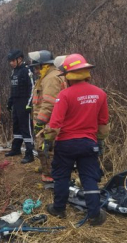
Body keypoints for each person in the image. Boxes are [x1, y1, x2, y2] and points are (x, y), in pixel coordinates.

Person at [44, 53, 109, 226]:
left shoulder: (64, 95)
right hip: (89, 143)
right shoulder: (100, 94)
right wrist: (99, 141)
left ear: (68, 76)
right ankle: (95, 215)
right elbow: (103, 125)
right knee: (89, 178)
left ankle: (59, 209)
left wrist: (48, 141)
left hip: (66, 144)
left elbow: (54, 125)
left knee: (62, 176)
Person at [28, 50, 66, 182]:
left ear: (44, 65)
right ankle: (47, 168)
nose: (36, 71)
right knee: (48, 146)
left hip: (47, 121)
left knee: (45, 146)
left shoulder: (50, 79)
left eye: (37, 68)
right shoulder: (50, 76)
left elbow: (50, 103)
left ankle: (49, 174)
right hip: (50, 120)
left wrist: (40, 121)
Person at [5, 49, 35, 164]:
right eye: (10, 61)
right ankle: (16, 149)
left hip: (24, 103)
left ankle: (29, 153)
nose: (11, 63)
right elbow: (13, 89)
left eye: (12, 60)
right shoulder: (14, 72)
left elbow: (32, 87)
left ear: (20, 59)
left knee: (26, 128)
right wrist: (10, 102)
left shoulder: (27, 70)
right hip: (16, 103)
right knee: (16, 127)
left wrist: (29, 104)